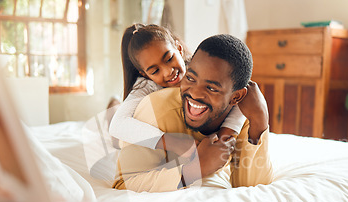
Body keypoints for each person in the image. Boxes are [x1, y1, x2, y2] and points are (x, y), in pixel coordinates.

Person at [113, 34, 273, 192]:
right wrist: (196, 169)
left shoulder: (242, 113)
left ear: (236, 97)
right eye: (190, 78)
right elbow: (124, 182)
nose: (195, 94)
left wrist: (260, 122)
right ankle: (113, 104)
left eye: (211, 88)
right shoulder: (154, 107)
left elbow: (253, 187)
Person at [109, 23, 245, 156]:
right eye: (155, 71)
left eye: (169, 59)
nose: (168, 72)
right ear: (145, 74)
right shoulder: (146, 86)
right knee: (116, 140)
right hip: (122, 136)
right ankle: (113, 105)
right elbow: (117, 126)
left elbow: (241, 94)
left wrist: (225, 136)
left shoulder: (199, 69)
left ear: (179, 49)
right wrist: (174, 143)